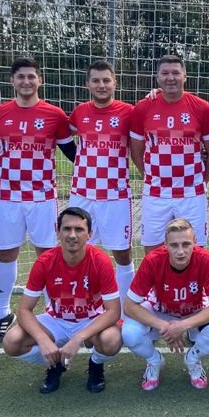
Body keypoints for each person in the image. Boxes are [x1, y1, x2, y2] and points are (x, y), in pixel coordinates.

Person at [0, 57, 75, 343]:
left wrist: (100, 167)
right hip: (7, 197)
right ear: (12, 80)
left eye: (31, 76)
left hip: (42, 198)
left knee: (46, 255)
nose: (26, 81)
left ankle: (53, 312)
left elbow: (73, 153)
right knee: (6, 253)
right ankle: (2, 313)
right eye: (21, 76)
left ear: (39, 80)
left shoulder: (55, 115)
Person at [1, 207, 123, 394]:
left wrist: (78, 338)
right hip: (56, 319)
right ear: (57, 232)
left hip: (91, 319)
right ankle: (55, 364)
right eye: (66, 229)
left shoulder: (101, 261)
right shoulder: (45, 262)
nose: (72, 235)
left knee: (111, 340)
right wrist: (43, 340)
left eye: (79, 229)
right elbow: (24, 310)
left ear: (89, 234)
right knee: (12, 342)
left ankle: (96, 364)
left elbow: (113, 311)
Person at [122, 218, 209, 391]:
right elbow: (129, 306)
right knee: (129, 333)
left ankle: (192, 359)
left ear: (195, 242)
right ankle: (154, 361)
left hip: (194, 310)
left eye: (186, 244)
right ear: (165, 245)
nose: (180, 251)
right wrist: (165, 326)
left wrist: (183, 325)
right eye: (174, 245)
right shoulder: (152, 260)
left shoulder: (206, 260)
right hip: (160, 309)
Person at [129, 55, 209, 250]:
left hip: (192, 193)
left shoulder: (202, 108)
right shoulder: (143, 107)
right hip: (155, 193)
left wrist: (202, 181)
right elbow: (136, 152)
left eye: (176, 73)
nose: (171, 78)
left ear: (185, 76)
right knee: (153, 249)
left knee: (195, 249)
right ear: (157, 78)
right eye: (165, 73)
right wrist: (149, 176)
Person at [67, 60, 136, 304]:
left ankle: (125, 309)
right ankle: (87, 304)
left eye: (106, 80)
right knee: (80, 250)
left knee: (122, 252)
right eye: (96, 80)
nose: (101, 85)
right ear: (87, 84)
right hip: (82, 193)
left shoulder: (129, 112)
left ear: (115, 83)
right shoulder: (80, 112)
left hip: (115, 195)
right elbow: (63, 137)